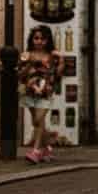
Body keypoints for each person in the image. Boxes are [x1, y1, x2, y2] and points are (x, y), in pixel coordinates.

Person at [17, 25, 62, 163]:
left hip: (45, 92)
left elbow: (58, 74)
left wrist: (61, 61)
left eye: (43, 38)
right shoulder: (26, 55)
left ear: (48, 40)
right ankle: (47, 146)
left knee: (37, 120)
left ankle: (35, 151)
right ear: (32, 39)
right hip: (29, 92)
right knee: (37, 122)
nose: (39, 41)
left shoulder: (52, 56)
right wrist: (30, 64)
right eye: (36, 38)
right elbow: (20, 75)